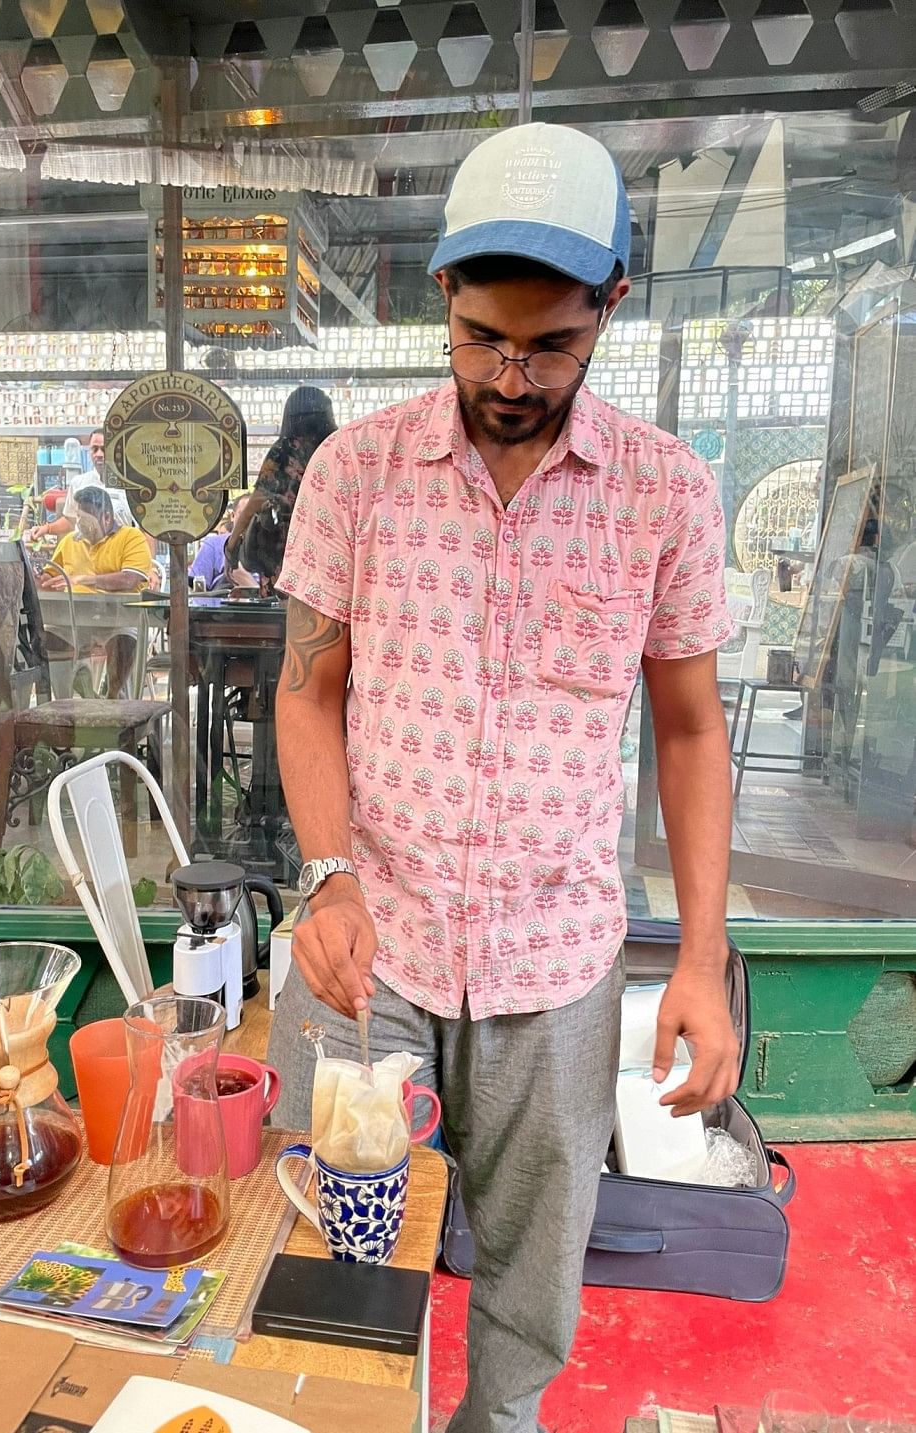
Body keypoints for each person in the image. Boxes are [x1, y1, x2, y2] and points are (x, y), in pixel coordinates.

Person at [267, 124, 741, 1433]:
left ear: (610, 308)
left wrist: (697, 958)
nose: (511, 375)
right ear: (440, 297)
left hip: (557, 959)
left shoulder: (664, 494)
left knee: (532, 1279)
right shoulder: (352, 473)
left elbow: (690, 730)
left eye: (549, 344)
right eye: (481, 337)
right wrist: (324, 877)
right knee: (329, 1248)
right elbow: (305, 692)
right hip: (373, 946)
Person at [38, 484, 152, 698]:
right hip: (76, 617)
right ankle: (65, 699)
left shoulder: (131, 537)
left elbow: (130, 579)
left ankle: (112, 696)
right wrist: (39, 578)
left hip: (120, 617)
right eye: (79, 518)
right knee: (50, 637)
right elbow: (50, 575)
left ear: (106, 518)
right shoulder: (69, 542)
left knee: (124, 640)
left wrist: (88, 580)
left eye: (87, 520)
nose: (81, 525)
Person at [223, 386, 337, 588]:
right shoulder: (337, 446)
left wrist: (231, 546)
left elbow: (257, 500)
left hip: (289, 552)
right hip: (330, 549)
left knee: (286, 615)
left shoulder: (285, 449)